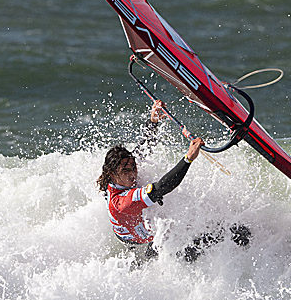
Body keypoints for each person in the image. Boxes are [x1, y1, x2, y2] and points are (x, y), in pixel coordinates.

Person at [97, 99, 249, 263]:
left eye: (133, 167)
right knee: (194, 243)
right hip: (138, 241)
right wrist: (188, 158)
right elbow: (161, 188)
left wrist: (153, 121)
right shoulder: (122, 202)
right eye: (126, 171)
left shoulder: (118, 173)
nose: (133, 174)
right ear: (112, 174)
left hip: (133, 230)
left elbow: (143, 148)